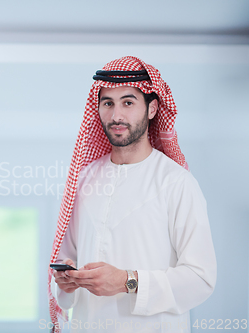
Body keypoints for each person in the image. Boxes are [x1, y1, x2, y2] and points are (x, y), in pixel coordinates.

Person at [47, 56, 216, 333]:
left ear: (151, 109)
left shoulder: (176, 182)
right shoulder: (84, 179)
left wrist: (128, 281)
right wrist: (66, 280)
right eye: (108, 103)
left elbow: (201, 279)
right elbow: (66, 267)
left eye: (128, 102)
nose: (116, 116)